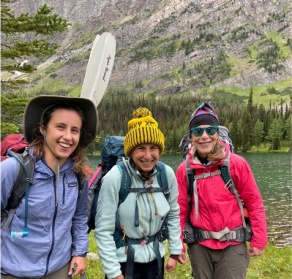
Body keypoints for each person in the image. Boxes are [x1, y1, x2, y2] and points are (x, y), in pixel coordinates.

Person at [1, 95, 98, 279]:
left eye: (75, 130)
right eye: (60, 127)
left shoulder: (79, 175)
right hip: (13, 272)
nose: (68, 137)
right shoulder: (12, 170)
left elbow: (78, 218)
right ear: (43, 128)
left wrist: (79, 252)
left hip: (60, 269)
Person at [176, 102, 268, 279]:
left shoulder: (236, 163)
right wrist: (177, 244)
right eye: (197, 131)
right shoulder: (184, 170)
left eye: (210, 130)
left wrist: (260, 238)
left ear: (217, 133)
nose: (204, 136)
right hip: (199, 246)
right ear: (191, 137)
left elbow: (254, 202)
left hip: (232, 245)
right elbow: (180, 210)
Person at [94, 107, 187, 279]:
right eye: (140, 148)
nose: (148, 155)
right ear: (130, 151)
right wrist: (113, 272)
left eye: (153, 148)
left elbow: (173, 214)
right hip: (123, 261)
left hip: (155, 259)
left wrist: (175, 251)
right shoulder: (115, 177)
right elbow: (103, 229)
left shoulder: (166, 174)